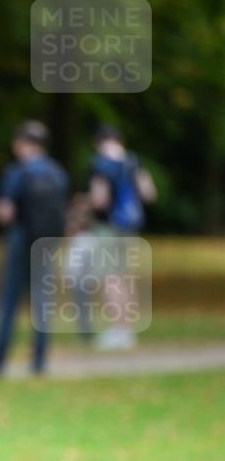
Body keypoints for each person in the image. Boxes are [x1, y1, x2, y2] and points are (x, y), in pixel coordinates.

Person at [0, 120, 70, 375]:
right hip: (46, 243)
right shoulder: (57, 172)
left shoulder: (17, 172)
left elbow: (5, 212)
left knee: (9, 301)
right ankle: (39, 362)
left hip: (20, 239)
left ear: (22, 143)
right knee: (42, 302)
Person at [88, 125, 156, 349]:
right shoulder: (133, 161)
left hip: (108, 228)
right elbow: (148, 193)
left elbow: (100, 200)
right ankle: (127, 328)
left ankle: (118, 330)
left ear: (98, 142)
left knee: (110, 278)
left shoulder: (101, 163)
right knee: (125, 277)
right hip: (129, 227)